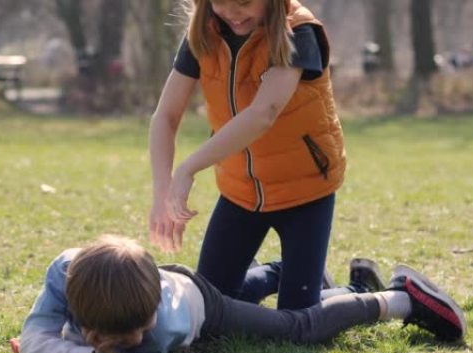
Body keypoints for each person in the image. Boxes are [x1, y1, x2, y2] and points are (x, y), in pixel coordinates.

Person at [149, 0, 347, 311]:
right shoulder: (203, 33)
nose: (232, 14)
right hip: (239, 193)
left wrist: (188, 168)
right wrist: (162, 191)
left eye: (243, 3)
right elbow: (166, 117)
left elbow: (263, 113)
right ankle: (281, 272)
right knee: (211, 307)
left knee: (298, 317)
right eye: (221, 4)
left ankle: (361, 288)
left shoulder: (299, 30)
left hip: (304, 192)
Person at [14, 235, 466, 353]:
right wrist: (86, 352)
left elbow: (38, 345)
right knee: (246, 296)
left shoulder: (162, 331)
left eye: (140, 329)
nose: (138, 339)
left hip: (199, 305)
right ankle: (303, 277)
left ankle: (402, 298)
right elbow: (34, 339)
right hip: (160, 281)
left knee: (294, 327)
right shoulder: (64, 272)